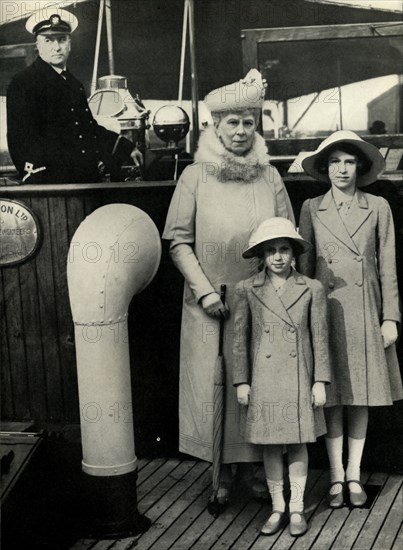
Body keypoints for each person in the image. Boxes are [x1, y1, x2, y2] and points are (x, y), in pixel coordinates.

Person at [162, 70, 295, 503]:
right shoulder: (195, 177)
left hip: (261, 300)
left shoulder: (269, 177)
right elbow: (178, 242)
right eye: (231, 123)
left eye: (248, 123)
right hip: (209, 302)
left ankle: (258, 468)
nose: (240, 131)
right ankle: (219, 472)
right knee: (213, 386)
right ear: (214, 128)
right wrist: (205, 292)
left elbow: (287, 236)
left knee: (258, 384)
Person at [298, 130, 403, 509]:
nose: (341, 169)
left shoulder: (377, 207)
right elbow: (305, 272)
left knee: (359, 396)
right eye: (334, 162)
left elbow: (387, 266)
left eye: (348, 161)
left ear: (360, 166)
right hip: (327, 311)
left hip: (363, 311)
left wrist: (390, 317)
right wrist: (306, 320)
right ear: (324, 168)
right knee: (332, 397)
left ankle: (355, 474)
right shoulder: (311, 207)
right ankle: (336, 477)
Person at [233, 217, 330, 536]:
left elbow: (320, 337)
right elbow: (239, 338)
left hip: (299, 376)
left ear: (294, 253)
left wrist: (320, 380)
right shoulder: (247, 289)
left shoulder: (312, 288)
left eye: (284, 249)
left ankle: (298, 508)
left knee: (299, 441)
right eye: (271, 250)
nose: (278, 257)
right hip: (263, 378)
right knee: (271, 445)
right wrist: (242, 380)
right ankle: (277, 508)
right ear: (261, 255)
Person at [6, 8, 142, 184]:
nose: (56, 47)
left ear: (70, 44)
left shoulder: (74, 84)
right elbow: (20, 138)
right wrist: (36, 175)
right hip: (51, 184)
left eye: (62, 39)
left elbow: (87, 129)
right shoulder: (23, 83)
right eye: (48, 40)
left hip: (85, 178)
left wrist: (125, 147)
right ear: (37, 46)